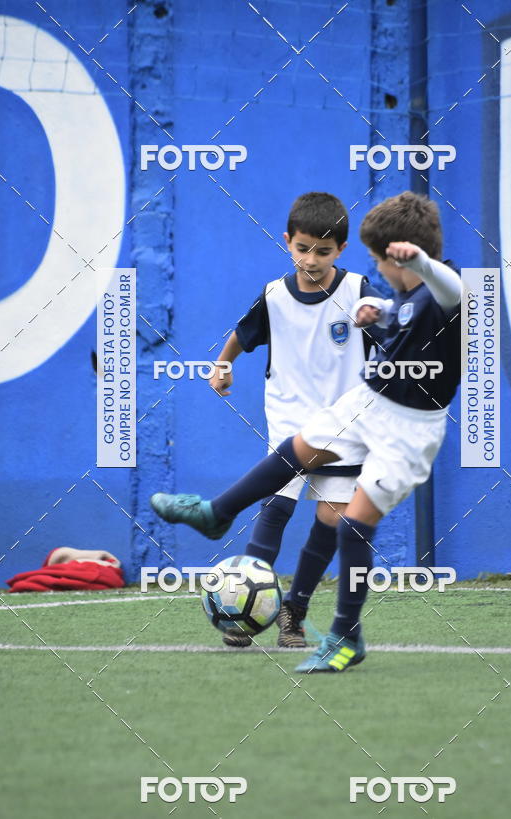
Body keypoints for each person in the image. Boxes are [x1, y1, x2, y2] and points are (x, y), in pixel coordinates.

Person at [151, 192, 462, 672]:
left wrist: (419, 263)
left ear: (408, 255)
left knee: (351, 523)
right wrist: (378, 315)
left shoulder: (442, 287)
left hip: (409, 430)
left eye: (384, 261)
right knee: (295, 452)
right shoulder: (392, 294)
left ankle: (343, 635)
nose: (380, 270)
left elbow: (450, 291)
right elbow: (402, 322)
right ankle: (218, 512)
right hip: (364, 403)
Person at [200, 191, 382, 648]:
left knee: (331, 519)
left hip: (344, 428)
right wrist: (223, 365)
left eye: (323, 251)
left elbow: (393, 341)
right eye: (303, 248)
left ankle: (293, 613)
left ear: (341, 250)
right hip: (289, 422)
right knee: (277, 506)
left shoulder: (358, 292)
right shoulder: (275, 296)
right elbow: (243, 335)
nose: (312, 259)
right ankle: (239, 609)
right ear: (287, 242)